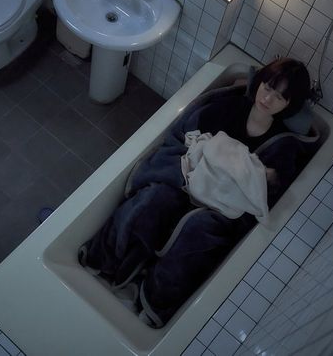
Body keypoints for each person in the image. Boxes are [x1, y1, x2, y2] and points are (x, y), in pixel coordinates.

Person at [79, 58, 316, 327]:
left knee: (196, 233)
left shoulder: (281, 145)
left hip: (221, 208)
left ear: (289, 105)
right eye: (268, 87)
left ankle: (154, 298)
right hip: (189, 179)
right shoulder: (229, 107)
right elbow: (187, 139)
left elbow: (266, 194)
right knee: (153, 201)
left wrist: (258, 176)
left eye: (280, 97)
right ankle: (106, 261)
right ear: (260, 81)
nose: (268, 98)